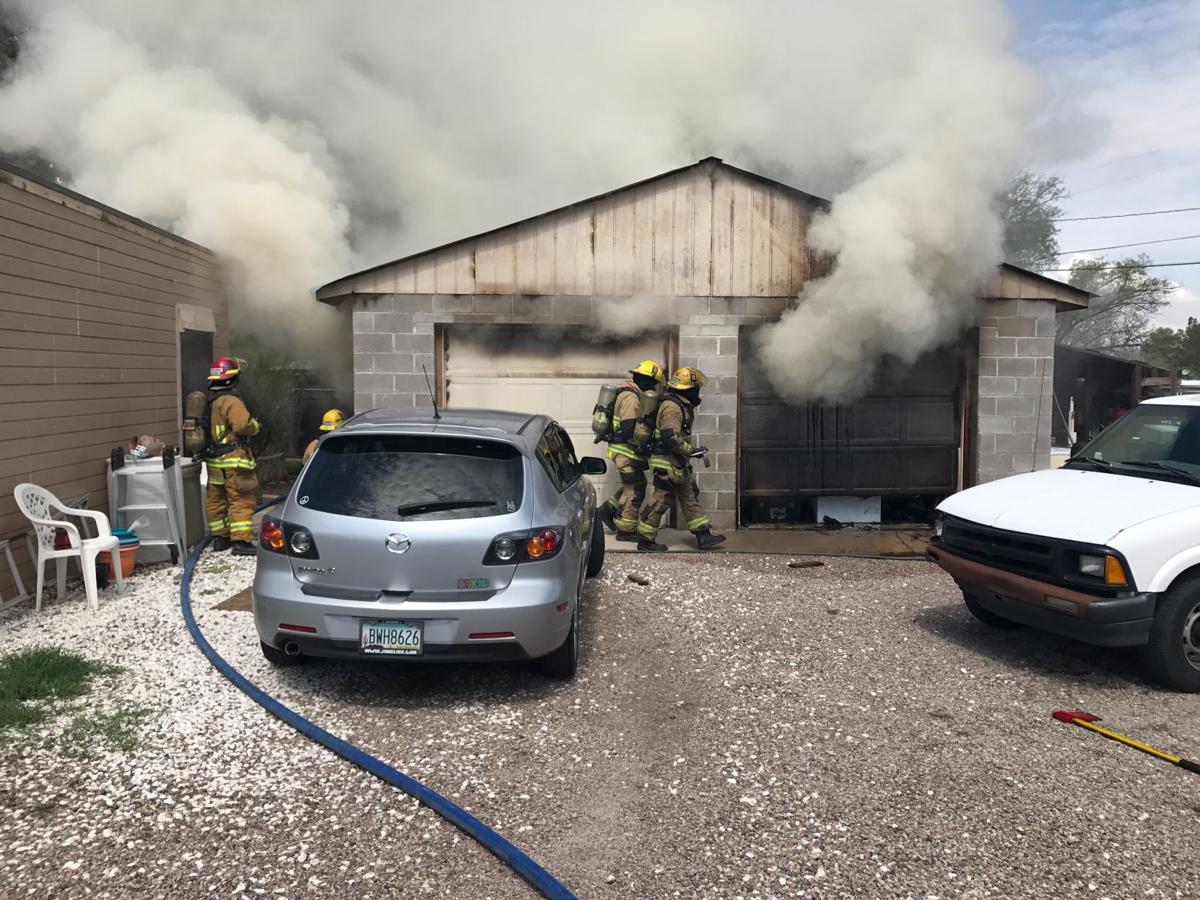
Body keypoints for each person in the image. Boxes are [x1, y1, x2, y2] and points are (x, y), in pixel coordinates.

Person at [637, 366, 726, 552]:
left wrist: (689, 452)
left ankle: (704, 536)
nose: (698, 393)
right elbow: (670, 439)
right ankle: (645, 540)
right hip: (667, 462)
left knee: (689, 496)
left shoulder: (680, 404)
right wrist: (691, 450)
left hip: (677, 463)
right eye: (697, 388)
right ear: (689, 389)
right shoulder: (672, 407)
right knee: (660, 501)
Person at [598, 360, 664, 542]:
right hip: (625, 452)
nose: (653, 387)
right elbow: (628, 429)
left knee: (634, 486)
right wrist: (646, 443)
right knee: (634, 490)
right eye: (652, 383)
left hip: (625, 451)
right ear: (644, 379)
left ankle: (608, 509)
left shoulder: (631, 393)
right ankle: (625, 530)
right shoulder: (631, 398)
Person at [204, 356, 261, 556]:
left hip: (213, 461)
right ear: (231, 379)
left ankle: (220, 538)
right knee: (241, 498)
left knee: (216, 498)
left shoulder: (208, 400)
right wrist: (256, 426)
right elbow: (242, 425)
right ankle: (241, 541)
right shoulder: (231, 401)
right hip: (233, 459)